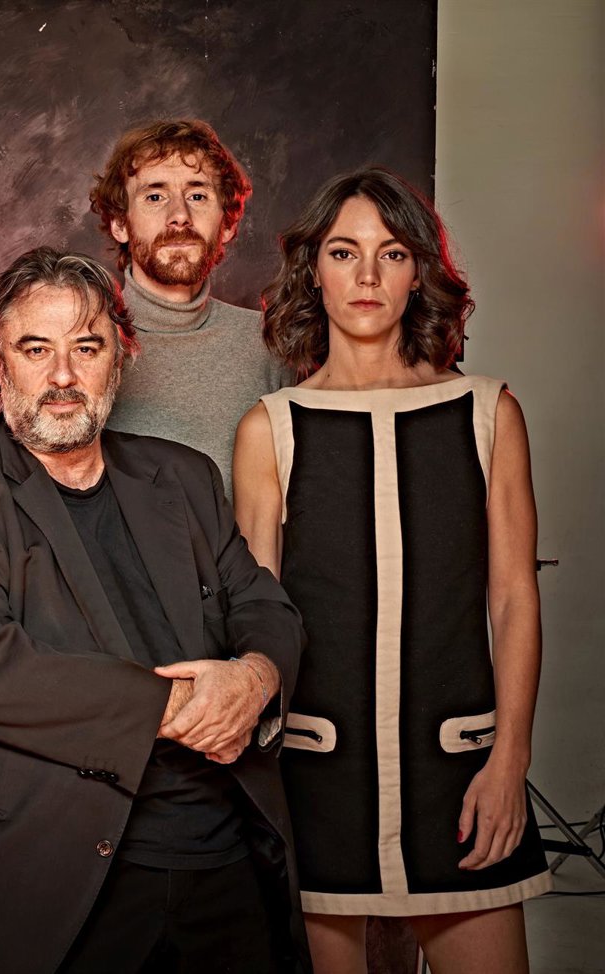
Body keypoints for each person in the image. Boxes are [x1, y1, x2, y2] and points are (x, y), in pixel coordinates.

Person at [0, 247, 310, 974]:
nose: (62, 375)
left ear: (122, 357)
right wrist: (189, 705)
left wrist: (255, 679)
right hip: (50, 873)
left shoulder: (182, 476)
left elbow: (265, 606)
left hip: (223, 856)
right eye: (36, 349)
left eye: (86, 347)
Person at [232, 168, 551, 974]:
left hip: (460, 781)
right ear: (314, 271)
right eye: (344, 252)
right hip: (316, 784)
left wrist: (509, 762)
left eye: (393, 252)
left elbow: (514, 599)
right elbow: (258, 623)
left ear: (419, 273)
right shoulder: (271, 428)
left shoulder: (488, 412)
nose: (368, 275)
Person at [0, 118, 288, 497]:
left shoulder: (271, 343)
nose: (179, 216)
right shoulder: (69, 334)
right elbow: (14, 457)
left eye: (198, 195)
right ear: (120, 223)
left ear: (227, 223)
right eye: (155, 196)